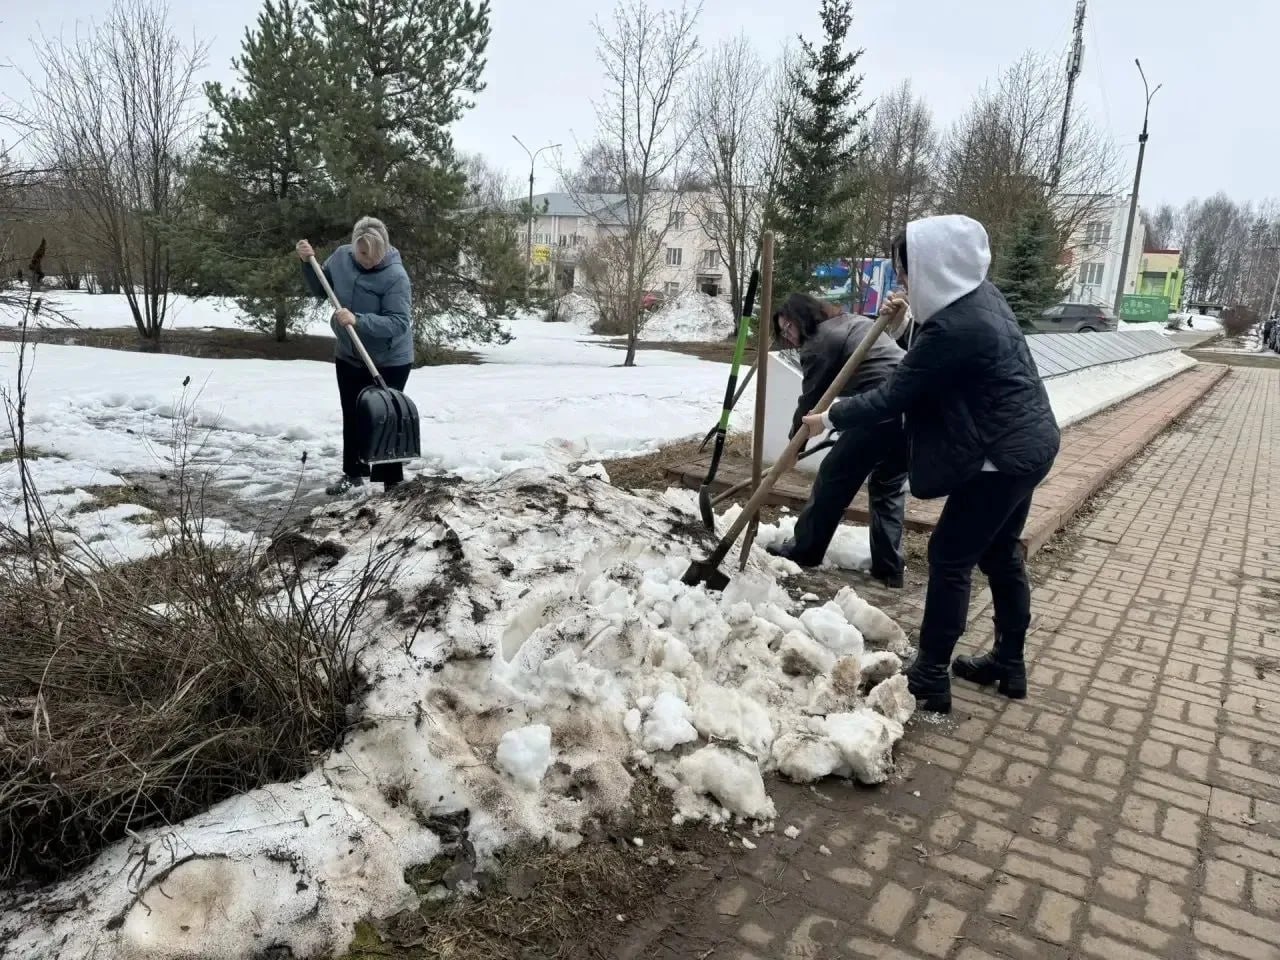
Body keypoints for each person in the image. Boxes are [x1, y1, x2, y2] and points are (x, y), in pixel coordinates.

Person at [804, 215, 1060, 713]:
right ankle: (1008, 663)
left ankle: (930, 675)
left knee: (950, 557)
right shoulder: (980, 297)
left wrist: (831, 416)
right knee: (1001, 554)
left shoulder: (956, 327)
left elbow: (897, 394)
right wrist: (904, 323)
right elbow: (932, 360)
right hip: (1028, 444)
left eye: (906, 270)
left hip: (1000, 457)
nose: (902, 279)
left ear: (934, 266)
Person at [769, 292, 910, 587]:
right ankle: (889, 567)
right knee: (888, 485)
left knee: (833, 478)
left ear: (803, 319)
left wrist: (795, 443)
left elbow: (811, 400)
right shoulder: (850, 322)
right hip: (912, 407)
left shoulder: (819, 343)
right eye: (782, 333)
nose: (789, 337)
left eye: (789, 328)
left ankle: (805, 551)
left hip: (879, 408)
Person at [297, 217, 413, 496]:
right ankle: (354, 472)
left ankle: (391, 482)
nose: (368, 260)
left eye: (375, 254)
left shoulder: (396, 276)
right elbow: (320, 290)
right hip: (350, 353)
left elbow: (398, 323)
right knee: (353, 414)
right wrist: (307, 264)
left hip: (389, 360)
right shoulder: (340, 258)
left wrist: (358, 320)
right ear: (353, 246)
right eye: (362, 253)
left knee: (385, 417)